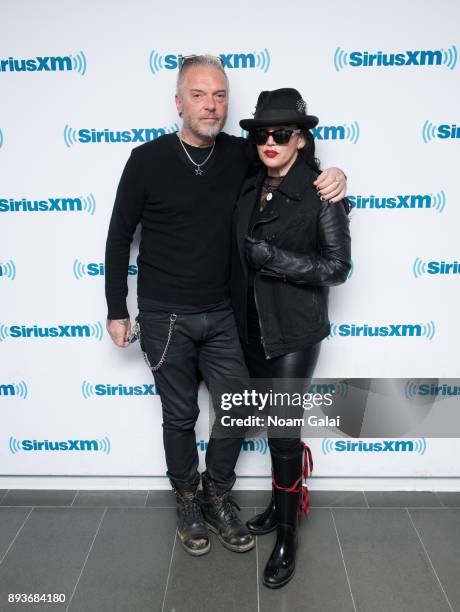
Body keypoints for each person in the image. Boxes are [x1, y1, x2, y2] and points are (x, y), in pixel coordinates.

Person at [104, 56, 349, 558]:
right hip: (163, 312)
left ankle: (218, 496)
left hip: (222, 314)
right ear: (179, 102)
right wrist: (116, 308)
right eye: (198, 95)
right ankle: (188, 502)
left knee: (235, 412)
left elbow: (295, 163)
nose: (210, 105)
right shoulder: (145, 159)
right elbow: (118, 237)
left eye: (219, 96)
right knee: (178, 416)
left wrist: (336, 175)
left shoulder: (244, 153)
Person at [230, 88, 351, 587]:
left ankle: (287, 535)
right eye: (263, 134)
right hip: (251, 327)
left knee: (282, 433)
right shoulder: (248, 184)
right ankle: (280, 509)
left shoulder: (322, 192)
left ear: (301, 139)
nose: (271, 141)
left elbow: (338, 268)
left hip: (295, 331)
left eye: (283, 133)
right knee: (269, 426)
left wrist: (274, 260)